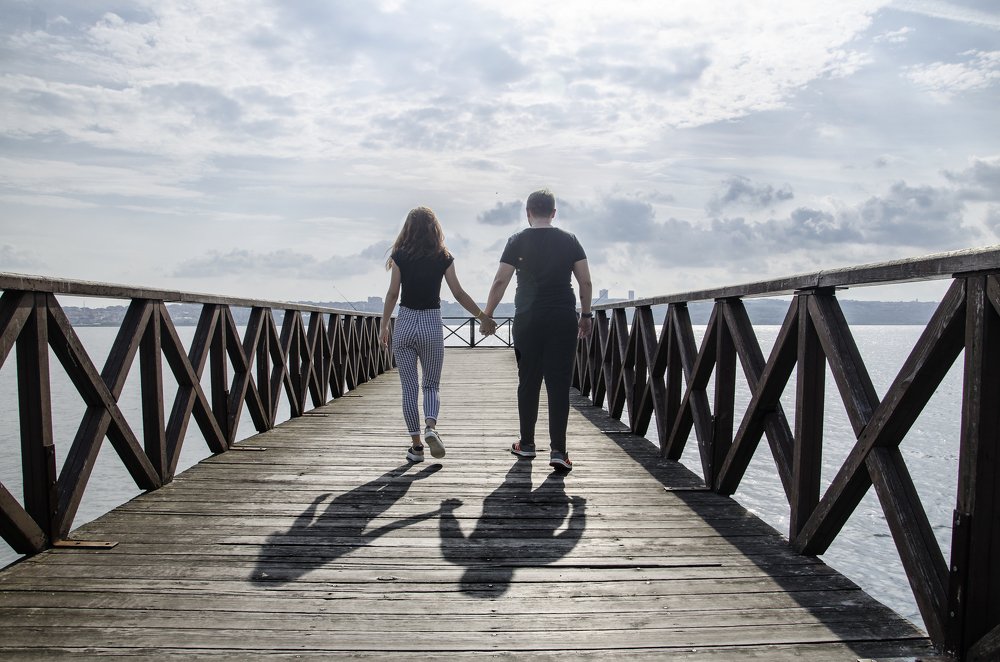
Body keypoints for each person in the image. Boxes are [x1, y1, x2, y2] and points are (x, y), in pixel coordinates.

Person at [479, 189, 593, 471]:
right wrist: (586, 315)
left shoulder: (517, 240)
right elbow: (585, 282)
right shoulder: (570, 240)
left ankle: (527, 444)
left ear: (528, 212)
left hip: (528, 319)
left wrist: (487, 315)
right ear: (553, 212)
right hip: (562, 318)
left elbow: (500, 282)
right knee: (559, 384)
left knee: (528, 380)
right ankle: (558, 451)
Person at [379, 207, 490, 464]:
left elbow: (393, 294)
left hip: (405, 322)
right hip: (430, 323)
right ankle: (430, 427)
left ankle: (416, 447)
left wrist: (384, 326)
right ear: (435, 228)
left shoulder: (400, 255)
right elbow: (458, 293)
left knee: (409, 388)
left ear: (408, 228)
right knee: (430, 385)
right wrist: (482, 316)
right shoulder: (444, 257)